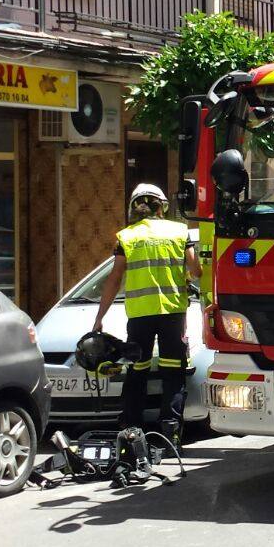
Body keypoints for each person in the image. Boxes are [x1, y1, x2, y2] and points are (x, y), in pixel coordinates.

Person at [93, 184, 200, 444]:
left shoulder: (127, 237)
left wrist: (99, 317)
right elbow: (196, 271)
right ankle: (170, 432)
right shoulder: (179, 231)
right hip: (172, 313)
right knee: (173, 373)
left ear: (134, 207)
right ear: (162, 206)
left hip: (140, 316)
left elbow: (114, 278)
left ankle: (131, 430)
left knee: (137, 371)